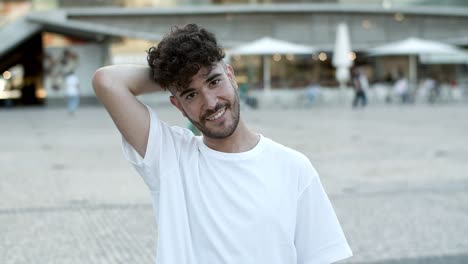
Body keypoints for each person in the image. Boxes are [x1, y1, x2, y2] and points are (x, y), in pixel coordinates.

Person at [92, 24, 352, 264]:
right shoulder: (172, 159)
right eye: (191, 94)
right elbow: (108, 82)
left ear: (231, 76)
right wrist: (173, 76)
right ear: (178, 106)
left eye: (214, 81)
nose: (211, 102)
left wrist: (185, 74)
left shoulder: (294, 168)